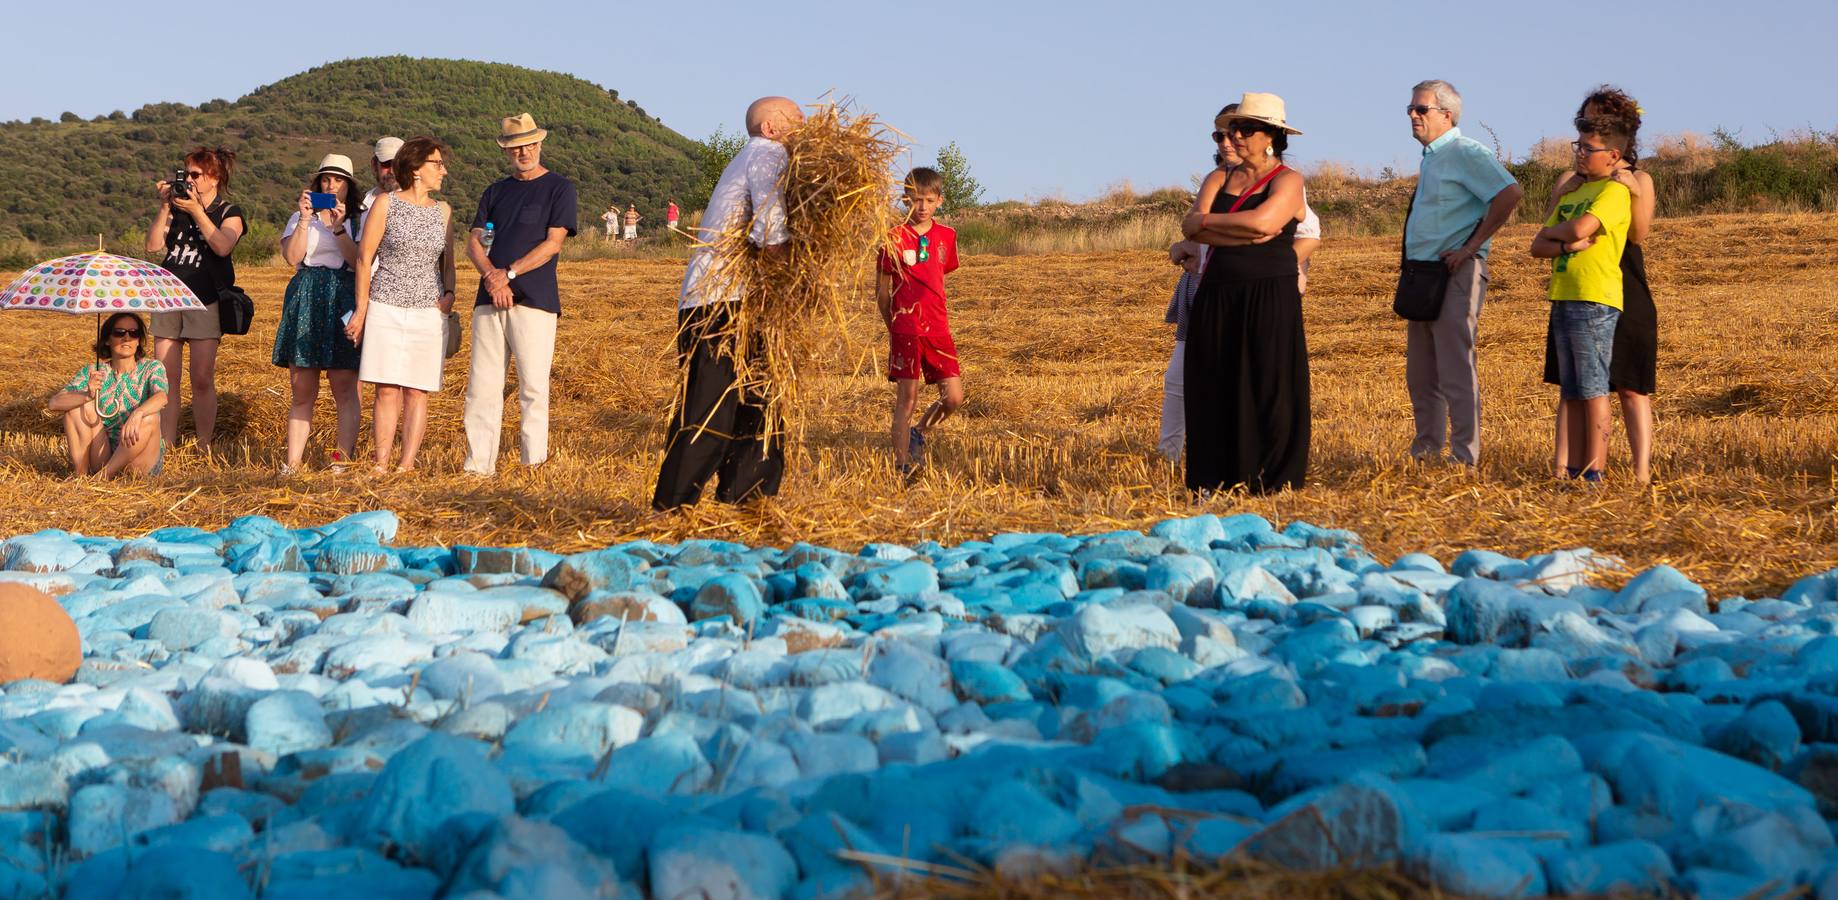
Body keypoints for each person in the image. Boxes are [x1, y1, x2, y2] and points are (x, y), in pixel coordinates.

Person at [653, 96, 804, 509]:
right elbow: (771, 235)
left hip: (737, 300)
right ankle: (672, 508)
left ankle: (748, 501)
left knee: (761, 400)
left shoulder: (759, 157)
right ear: (771, 128)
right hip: (719, 301)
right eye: (797, 120)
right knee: (711, 408)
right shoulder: (767, 155)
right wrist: (804, 276)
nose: (805, 128)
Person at [1163, 103, 1321, 460]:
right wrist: (1201, 240)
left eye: (1243, 130)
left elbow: (1288, 230)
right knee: (1191, 376)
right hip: (1210, 286)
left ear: (1270, 137)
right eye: (1223, 132)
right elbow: (1195, 226)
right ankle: (1172, 453)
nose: (1231, 138)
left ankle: (1259, 463)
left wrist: (1272, 260)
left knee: (1259, 380)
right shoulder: (1217, 178)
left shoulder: (1286, 180)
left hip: (1263, 287)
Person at [1401, 80, 1524, 468]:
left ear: (1447, 114)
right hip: (1422, 276)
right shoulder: (1433, 157)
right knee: (1421, 374)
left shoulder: (1466, 152)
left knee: (1455, 368)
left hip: (1455, 273)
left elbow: (1509, 194)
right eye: (1411, 109)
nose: (1413, 116)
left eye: (1422, 110)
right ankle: (1426, 453)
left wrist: (1471, 248)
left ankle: (1463, 457)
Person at [1542, 88, 1656, 482]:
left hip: (1622, 280)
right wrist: (1563, 192)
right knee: (1572, 383)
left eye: (1598, 120)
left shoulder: (1637, 178)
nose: (1590, 126)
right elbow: (1546, 228)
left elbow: (1638, 235)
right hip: (1575, 279)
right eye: (1586, 119)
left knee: (1628, 384)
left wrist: (1633, 190)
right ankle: (1564, 467)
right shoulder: (1573, 178)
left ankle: (1639, 472)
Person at [461, 114, 577, 476]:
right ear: (506, 151)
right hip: (488, 298)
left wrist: (508, 274)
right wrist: (492, 278)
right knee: (481, 387)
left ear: (539, 144)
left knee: (533, 387)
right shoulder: (494, 191)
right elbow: (474, 241)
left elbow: (553, 244)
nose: (523, 151)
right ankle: (478, 468)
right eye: (515, 147)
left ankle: (533, 465)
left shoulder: (560, 188)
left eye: (528, 144)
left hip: (535, 299)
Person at [1531, 116, 1635, 483]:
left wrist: (1564, 236)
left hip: (1594, 299)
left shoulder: (1614, 192)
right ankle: (1573, 470)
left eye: (1588, 149)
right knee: (1573, 391)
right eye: (1578, 147)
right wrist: (1566, 243)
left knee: (1593, 389)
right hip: (1563, 295)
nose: (1580, 154)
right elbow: (1537, 244)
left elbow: (1579, 228)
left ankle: (1595, 472)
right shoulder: (1574, 192)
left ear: (1613, 155)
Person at [348, 137, 456, 474]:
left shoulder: (444, 211)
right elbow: (365, 259)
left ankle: (406, 464)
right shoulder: (385, 204)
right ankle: (381, 463)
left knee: (417, 390)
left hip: (429, 310)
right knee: (386, 388)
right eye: (437, 164)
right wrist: (362, 311)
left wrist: (450, 294)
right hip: (385, 305)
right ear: (416, 169)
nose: (444, 171)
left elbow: (448, 262)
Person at [145, 146, 243, 454]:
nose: (188, 179)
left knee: (201, 378)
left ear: (214, 178)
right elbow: (152, 246)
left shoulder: (229, 212)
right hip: (168, 298)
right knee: (165, 378)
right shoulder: (174, 208)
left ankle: (204, 445)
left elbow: (223, 246)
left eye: (195, 174)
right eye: (185, 173)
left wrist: (197, 211)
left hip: (205, 299)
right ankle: (166, 445)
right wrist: (164, 208)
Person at [273, 154, 365, 473]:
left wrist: (338, 229)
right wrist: (303, 218)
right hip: (306, 296)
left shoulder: (358, 218)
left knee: (343, 384)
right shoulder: (301, 218)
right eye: (325, 179)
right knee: (302, 387)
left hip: (342, 295)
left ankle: (341, 460)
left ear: (348, 186)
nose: (330, 184)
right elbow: (291, 257)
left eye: (337, 180)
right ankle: (293, 463)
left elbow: (358, 263)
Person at [877, 167, 964, 476]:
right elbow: (882, 293)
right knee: (907, 398)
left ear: (939, 200)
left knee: (953, 398)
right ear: (905, 200)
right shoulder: (892, 237)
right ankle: (902, 466)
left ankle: (920, 432)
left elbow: (939, 277)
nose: (922, 206)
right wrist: (894, 326)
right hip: (906, 330)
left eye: (928, 200)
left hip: (938, 329)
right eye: (915, 200)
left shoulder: (948, 236)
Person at [48, 313, 167, 478]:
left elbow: (162, 397)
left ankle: (103, 477)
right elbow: (54, 403)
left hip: (139, 459)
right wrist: (87, 395)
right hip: (102, 455)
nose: (127, 338)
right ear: (107, 340)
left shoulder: (152, 367)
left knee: (150, 417)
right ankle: (80, 478)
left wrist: (138, 413)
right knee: (77, 408)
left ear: (139, 340)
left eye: (133, 333)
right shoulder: (93, 371)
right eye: (119, 332)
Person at [356, 137, 404, 242]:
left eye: (397, 164)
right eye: (386, 164)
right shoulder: (359, 204)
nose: (392, 171)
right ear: (374, 164)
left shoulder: (417, 205)